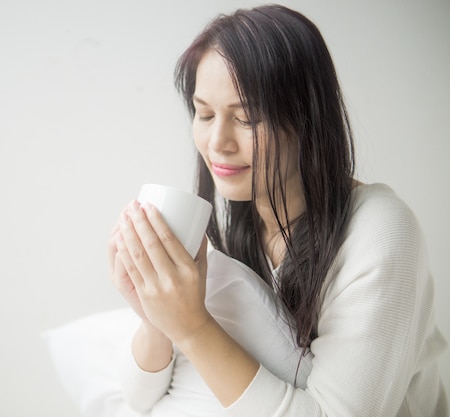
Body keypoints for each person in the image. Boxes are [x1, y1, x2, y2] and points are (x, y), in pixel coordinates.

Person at [107, 4, 448, 417]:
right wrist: (155, 319)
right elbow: (137, 398)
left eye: (247, 117)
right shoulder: (240, 219)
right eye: (205, 113)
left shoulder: (380, 231)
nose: (218, 142)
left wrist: (192, 327)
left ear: (307, 117)